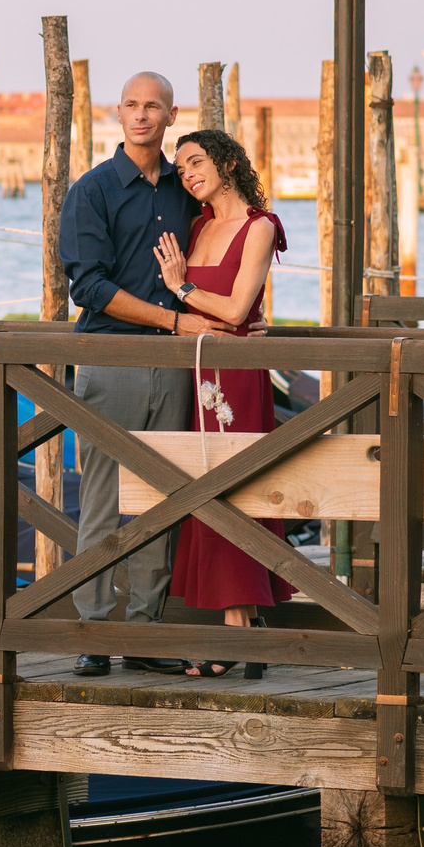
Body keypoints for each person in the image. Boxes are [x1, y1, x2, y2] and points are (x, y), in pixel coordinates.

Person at [58, 71, 210, 677]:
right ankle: (94, 631)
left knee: (161, 501)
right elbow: (89, 288)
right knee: (102, 498)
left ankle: (145, 632)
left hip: (173, 367)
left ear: (172, 116)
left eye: (153, 106)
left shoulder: (186, 190)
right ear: (117, 114)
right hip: (111, 359)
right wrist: (173, 322)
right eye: (131, 105)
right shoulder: (91, 191)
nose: (142, 114)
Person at [157, 127, 289, 677]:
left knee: (236, 492)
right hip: (197, 373)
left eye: (196, 162)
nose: (187, 174)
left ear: (228, 162)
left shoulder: (260, 226)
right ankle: (245, 628)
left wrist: (182, 288)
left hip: (236, 377)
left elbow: (236, 311)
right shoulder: (196, 226)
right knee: (205, 494)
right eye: (181, 168)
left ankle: (237, 636)